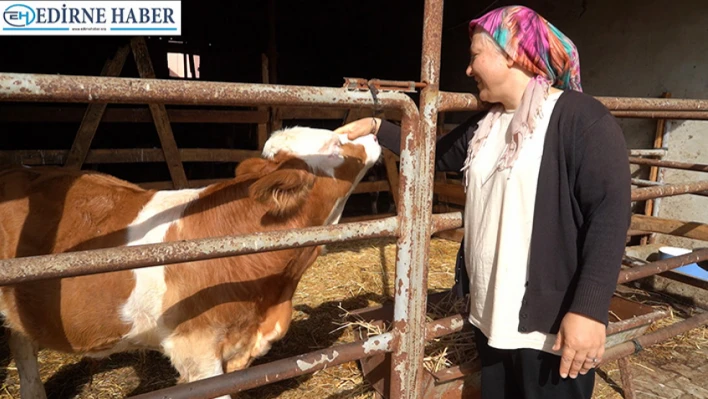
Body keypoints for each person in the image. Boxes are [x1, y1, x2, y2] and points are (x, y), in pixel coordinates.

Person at [334, 5, 631, 399]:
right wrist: (374, 127)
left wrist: (590, 311)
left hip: (549, 332)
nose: (469, 70)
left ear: (512, 54)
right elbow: (431, 156)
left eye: (475, 55)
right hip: (489, 321)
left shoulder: (581, 119)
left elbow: (609, 216)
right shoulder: (487, 124)